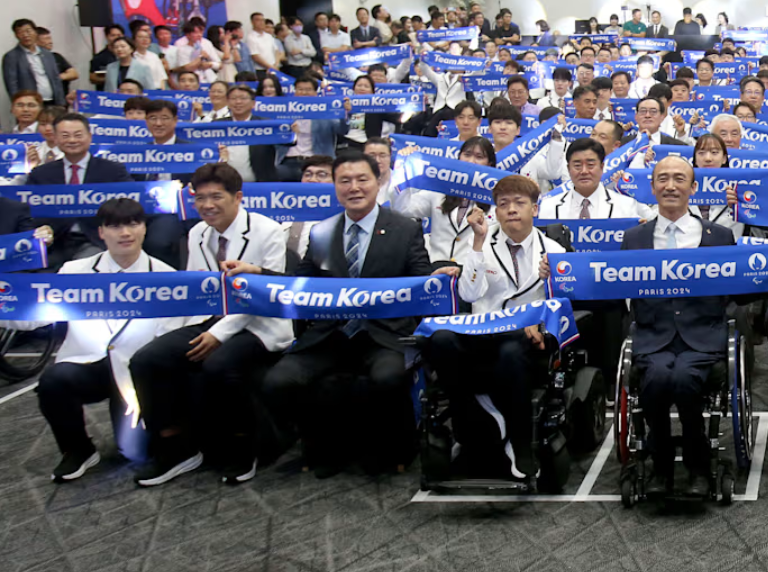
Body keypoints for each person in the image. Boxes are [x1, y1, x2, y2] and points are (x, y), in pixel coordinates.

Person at [261, 151, 436, 477]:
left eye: (362, 179)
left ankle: (395, 448)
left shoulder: (404, 228)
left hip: (386, 333)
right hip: (332, 332)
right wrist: (255, 273)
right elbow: (299, 282)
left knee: (386, 377)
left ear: (376, 182)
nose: (354, 187)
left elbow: (421, 282)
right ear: (335, 186)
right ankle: (323, 446)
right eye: (345, 181)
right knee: (278, 381)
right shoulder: (322, 232)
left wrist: (440, 276)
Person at [127, 164, 291, 486]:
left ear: (238, 197)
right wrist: (180, 333)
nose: (207, 205)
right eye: (200, 198)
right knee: (147, 359)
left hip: (260, 323)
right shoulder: (197, 233)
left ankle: (245, 446)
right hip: (212, 318)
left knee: (219, 364)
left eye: (216, 196)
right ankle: (176, 447)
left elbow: (269, 295)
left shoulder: (268, 230)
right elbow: (198, 292)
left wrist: (219, 334)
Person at [19, 199, 189, 482]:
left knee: (134, 452)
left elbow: (167, 341)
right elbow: (35, 317)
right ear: (101, 232)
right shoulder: (74, 272)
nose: (125, 233)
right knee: (52, 381)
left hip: (137, 373)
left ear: (144, 229)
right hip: (88, 365)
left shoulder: (167, 278)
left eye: (133, 224)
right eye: (115, 226)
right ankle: (77, 449)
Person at [621, 155, 759, 496]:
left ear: (693, 187)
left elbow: (739, 293)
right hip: (654, 337)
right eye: (663, 179)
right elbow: (614, 288)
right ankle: (661, 466)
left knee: (683, 379)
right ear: (652, 187)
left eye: (679, 179)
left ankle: (699, 466)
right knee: (656, 378)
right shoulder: (634, 238)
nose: (670, 185)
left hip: (703, 337)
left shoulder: (720, 236)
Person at [434, 174, 567, 479]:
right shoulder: (481, 243)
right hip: (482, 336)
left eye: (519, 203)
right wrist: (478, 243)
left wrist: (552, 285)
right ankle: (476, 424)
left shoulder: (554, 250)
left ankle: (520, 444)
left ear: (535, 208)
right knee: (440, 340)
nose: (511, 210)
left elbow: (564, 303)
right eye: (503, 204)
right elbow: (468, 294)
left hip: (528, 343)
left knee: (510, 348)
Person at [25, 113, 131, 265]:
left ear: (90, 136)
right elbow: (27, 211)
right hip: (54, 241)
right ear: (55, 138)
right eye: (65, 135)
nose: (72, 140)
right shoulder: (41, 173)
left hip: (96, 239)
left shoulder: (113, 170)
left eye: (78, 135)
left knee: (84, 270)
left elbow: (129, 206)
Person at [392, 137, 499, 266]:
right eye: (467, 154)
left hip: (471, 272)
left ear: (490, 164)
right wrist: (402, 169)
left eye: (479, 157)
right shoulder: (439, 190)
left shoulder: (496, 199)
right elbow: (403, 210)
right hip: (435, 268)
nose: (471, 161)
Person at [215, 85, 284, 182]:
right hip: (224, 183)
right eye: (234, 98)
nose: (238, 102)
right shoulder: (217, 125)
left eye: (243, 98)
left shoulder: (265, 124)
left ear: (253, 103)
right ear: (228, 102)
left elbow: (287, 141)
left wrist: (291, 131)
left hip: (260, 184)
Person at [4, 19, 66, 108]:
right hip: (29, 105)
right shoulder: (11, 56)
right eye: (20, 32)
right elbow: (12, 85)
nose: (25, 35)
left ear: (35, 32)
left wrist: (61, 103)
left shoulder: (47, 53)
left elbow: (55, 78)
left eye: (28, 31)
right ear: (16, 35)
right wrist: (19, 106)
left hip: (52, 102)